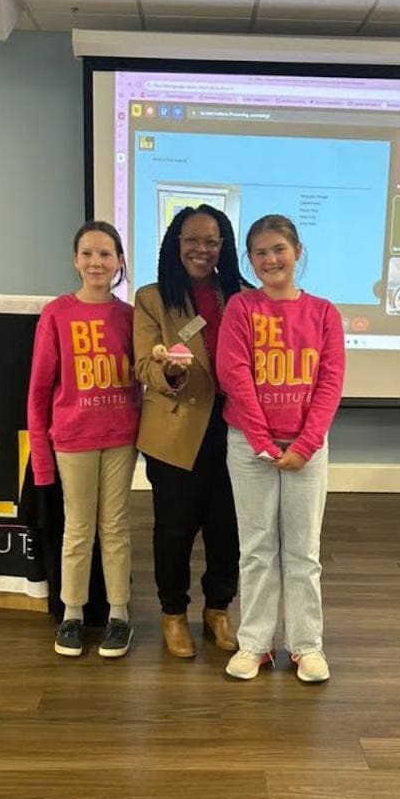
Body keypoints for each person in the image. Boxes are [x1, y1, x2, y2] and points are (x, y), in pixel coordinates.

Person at [216, 214, 345, 683]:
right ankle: (256, 643)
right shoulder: (241, 308)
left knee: (303, 552)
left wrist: (305, 445)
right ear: (249, 260)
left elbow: (330, 382)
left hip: (306, 450)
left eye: (279, 249)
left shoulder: (324, 313)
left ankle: (307, 645)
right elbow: (234, 375)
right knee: (256, 549)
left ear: (297, 252)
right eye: (260, 252)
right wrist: (263, 443)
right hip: (250, 448)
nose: (271, 260)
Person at [134, 204, 249, 658]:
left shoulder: (241, 294)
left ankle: (218, 609)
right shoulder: (153, 298)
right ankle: (173, 614)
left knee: (227, 529)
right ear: (175, 245)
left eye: (211, 241)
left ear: (224, 247)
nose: (202, 249)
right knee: (174, 529)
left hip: (233, 429)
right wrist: (169, 372)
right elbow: (143, 365)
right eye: (192, 240)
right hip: (176, 430)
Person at [28, 221, 139, 659]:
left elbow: (145, 376)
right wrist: (41, 460)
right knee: (77, 528)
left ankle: (119, 614)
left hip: (121, 437)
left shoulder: (130, 317)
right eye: (88, 254)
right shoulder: (57, 314)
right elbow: (39, 391)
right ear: (75, 260)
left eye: (106, 254)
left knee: (115, 527)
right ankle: (72, 613)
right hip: (73, 439)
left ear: (119, 262)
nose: (96, 262)